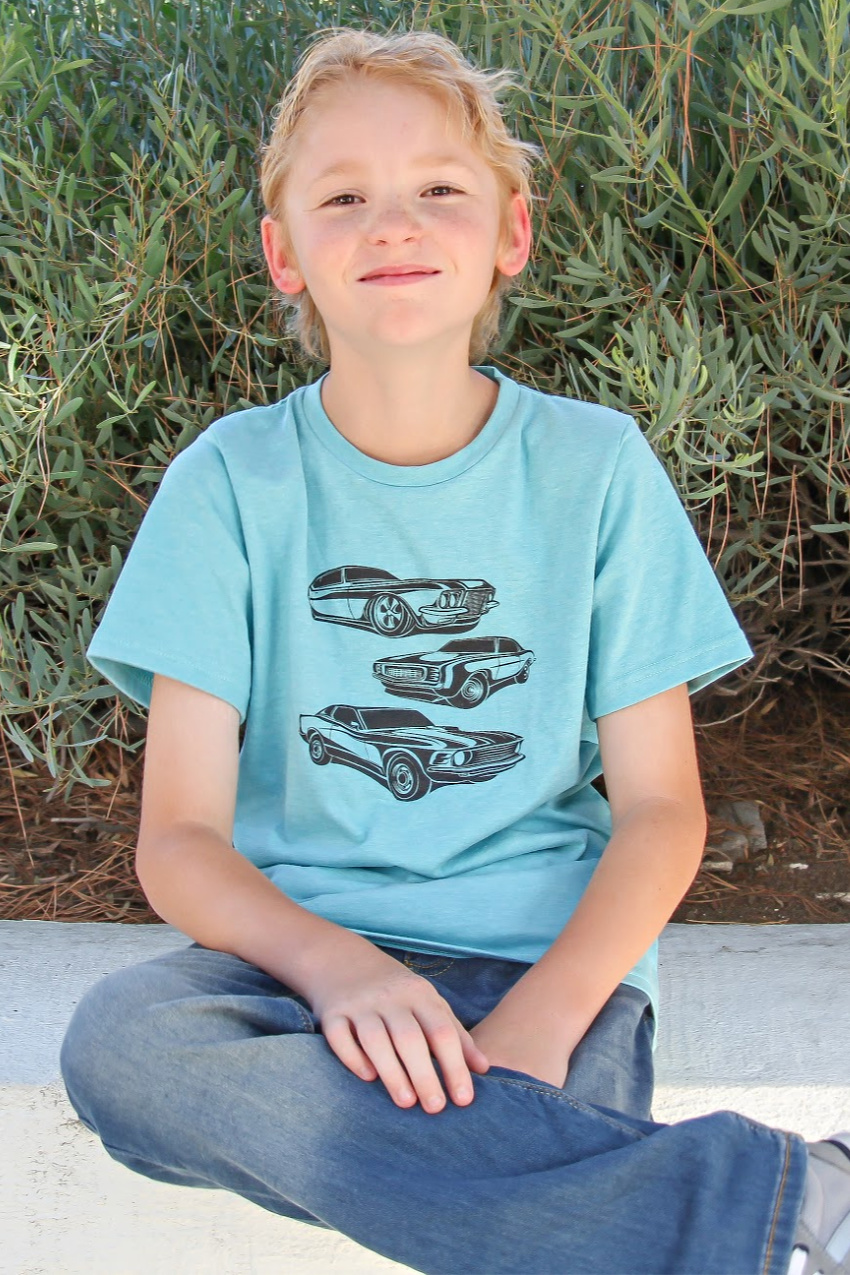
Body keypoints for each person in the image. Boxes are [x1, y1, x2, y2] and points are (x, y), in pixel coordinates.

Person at [59, 24, 850, 1275]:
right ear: (284, 254)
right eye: (343, 197)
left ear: (510, 236)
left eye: (438, 188)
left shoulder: (595, 469)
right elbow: (181, 841)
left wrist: (539, 1023)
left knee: (531, 1137)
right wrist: (343, 974)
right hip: (291, 980)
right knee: (121, 1045)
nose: (392, 223)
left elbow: (659, 813)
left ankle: (639, 1190)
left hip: (547, 963)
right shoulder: (229, 483)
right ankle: (786, 1195)